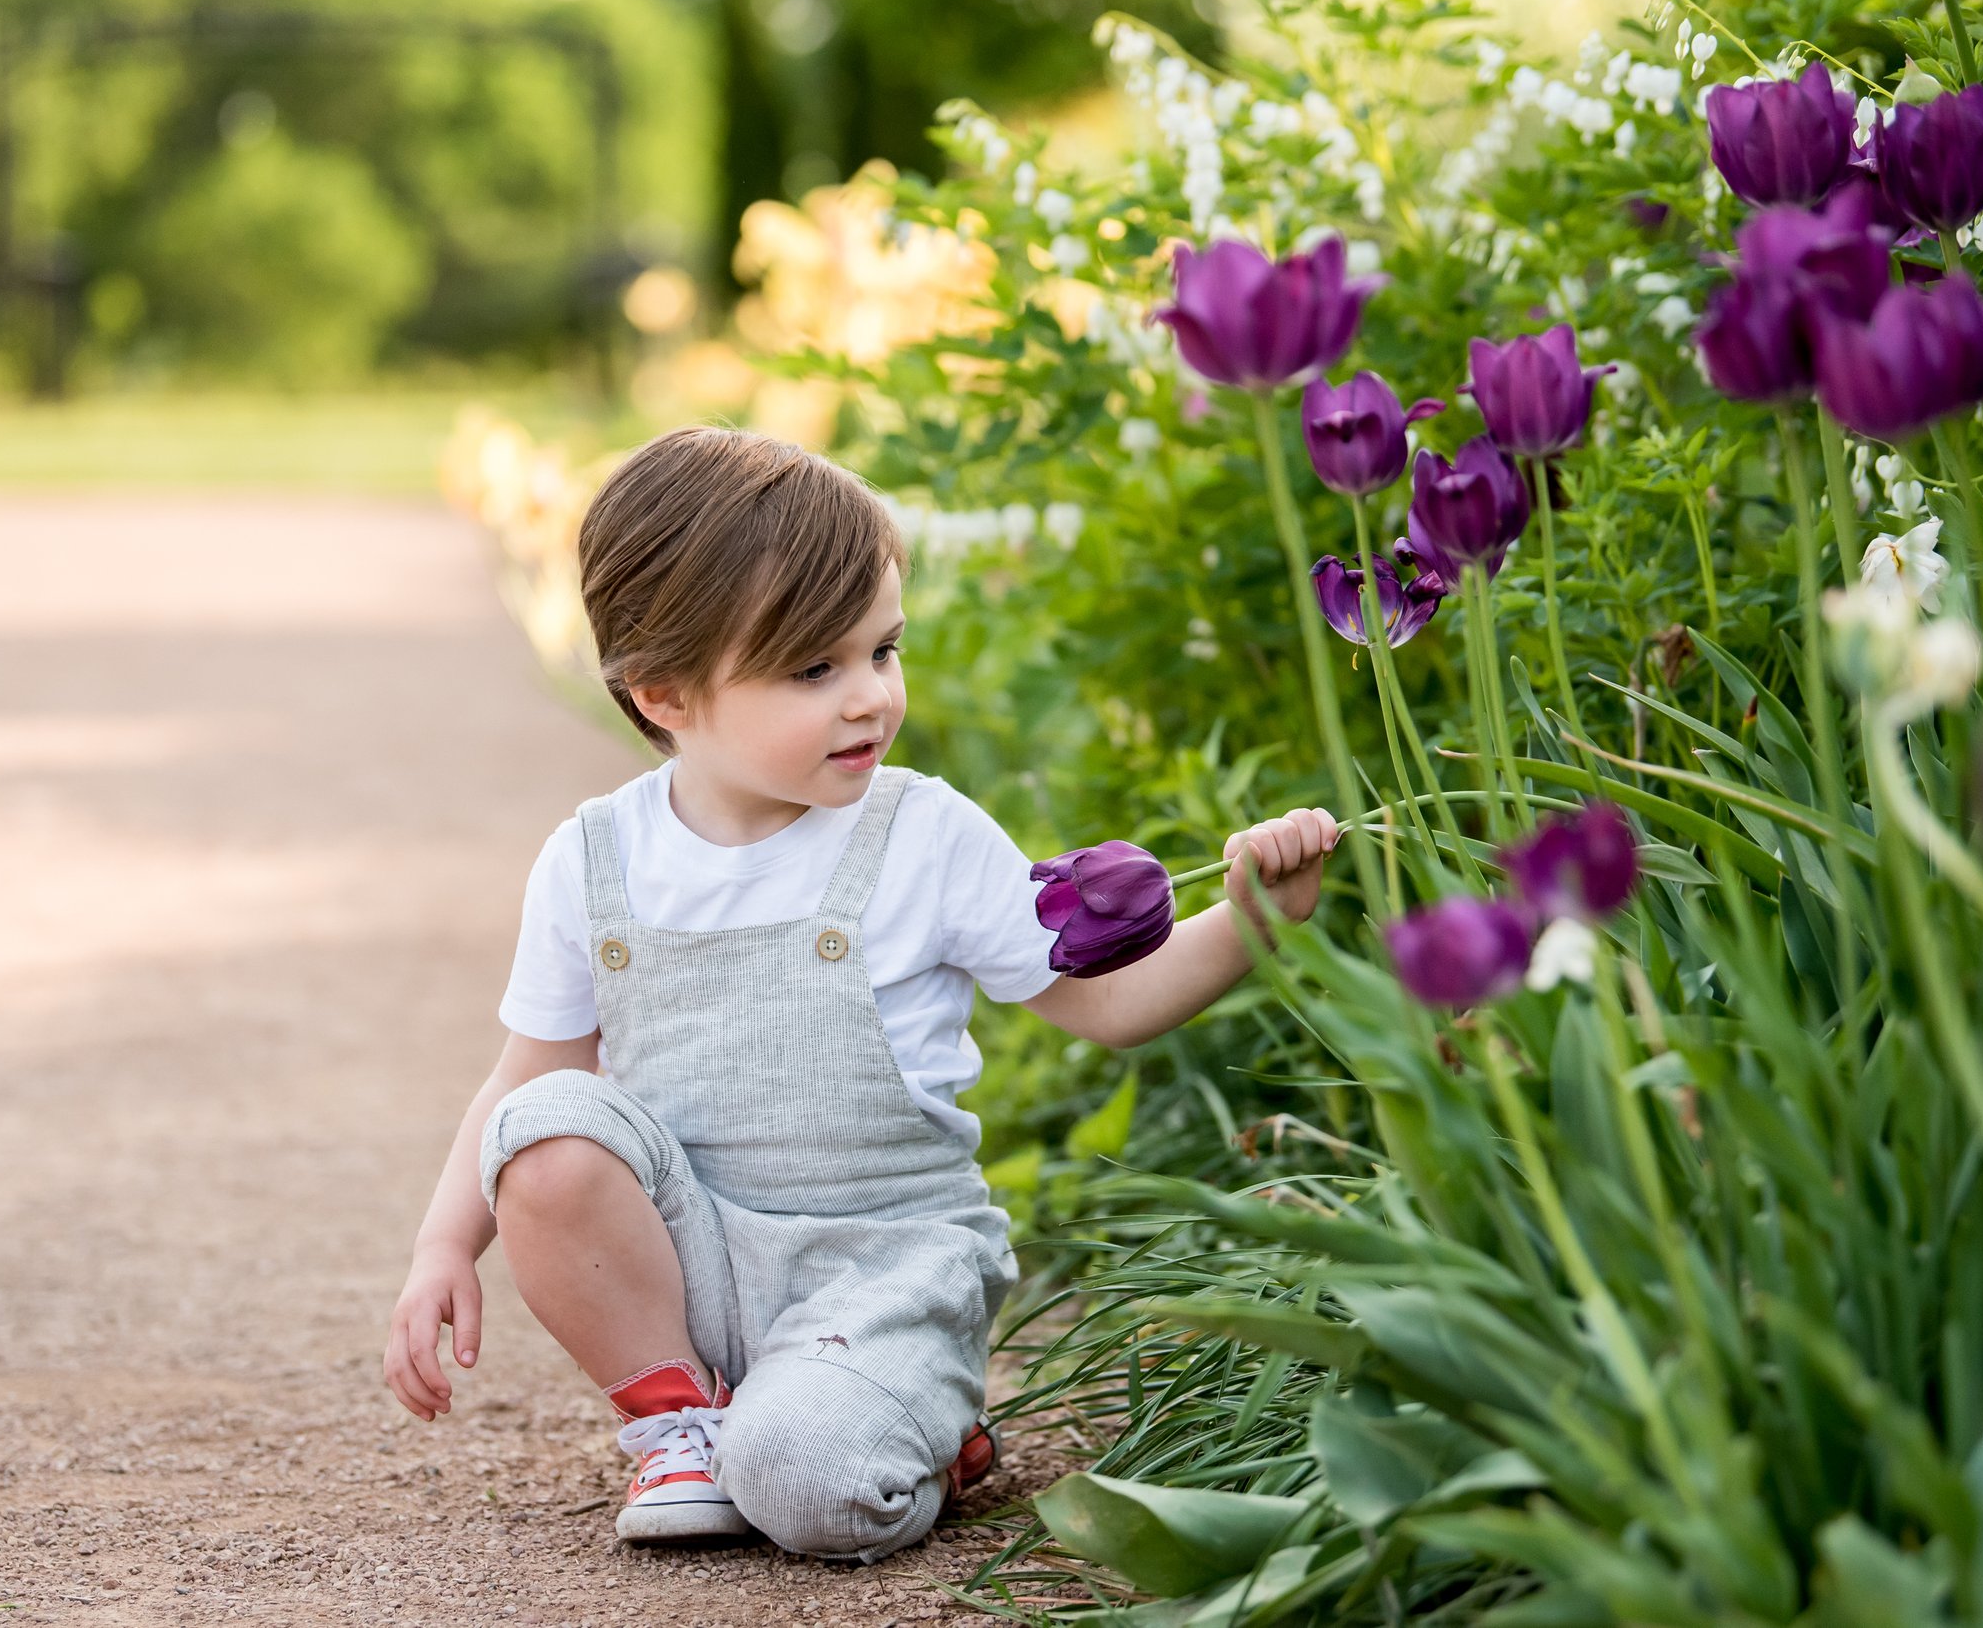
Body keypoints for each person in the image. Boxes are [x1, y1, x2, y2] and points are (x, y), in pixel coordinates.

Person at [382, 427, 1337, 1560]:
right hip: (692, 1257)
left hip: (882, 1267)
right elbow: (523, 1077)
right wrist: (443, 1247)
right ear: (664, 691)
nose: (868, 699)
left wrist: (1256, 914)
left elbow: (1106, 1003)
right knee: (540, 1129)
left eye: (882, 650)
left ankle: (902, 1414)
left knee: (805, 1487)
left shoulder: (921, 834)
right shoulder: (594, 860)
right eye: (813, 670)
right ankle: (679, 1419)